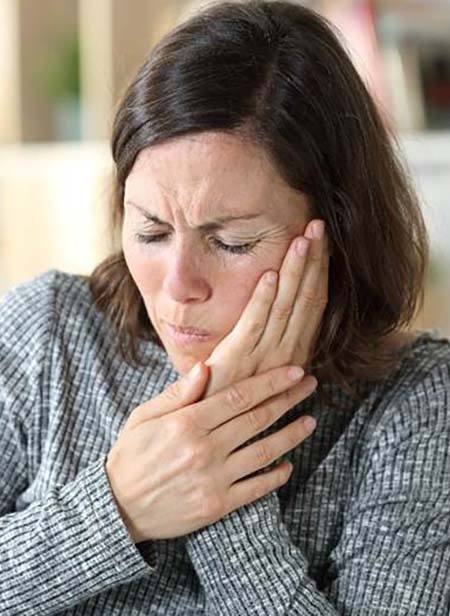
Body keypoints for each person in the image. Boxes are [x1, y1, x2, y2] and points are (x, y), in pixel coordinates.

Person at [1, 1, 449, 614]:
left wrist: (220, 477)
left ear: (337, 234)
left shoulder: (414, 401)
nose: (179, 284)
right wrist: (115, 508)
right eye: (152, 232)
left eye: (230, 242)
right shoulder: (47, 330)